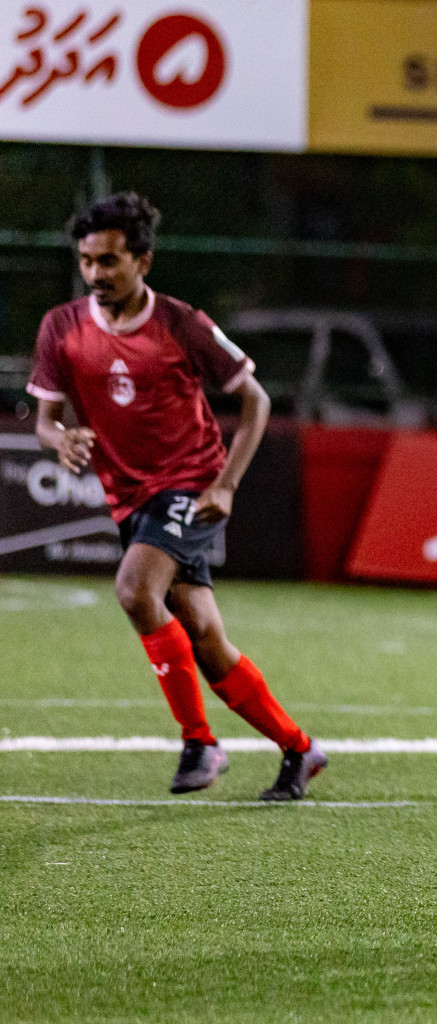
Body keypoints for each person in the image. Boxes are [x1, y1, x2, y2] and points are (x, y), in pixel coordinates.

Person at [28, 192, 326, 801]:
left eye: (109, 261)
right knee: (205, 639)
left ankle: (199, 742)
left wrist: (225, 484)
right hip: (127, 495)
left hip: (189, 481)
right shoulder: (61, 327)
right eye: (87, 261)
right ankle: (299, 748)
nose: (95, 274)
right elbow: (44, 420)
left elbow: (257, 399)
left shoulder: (180, 323)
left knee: (136, 590)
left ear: (143, 260)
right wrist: (60, 440)